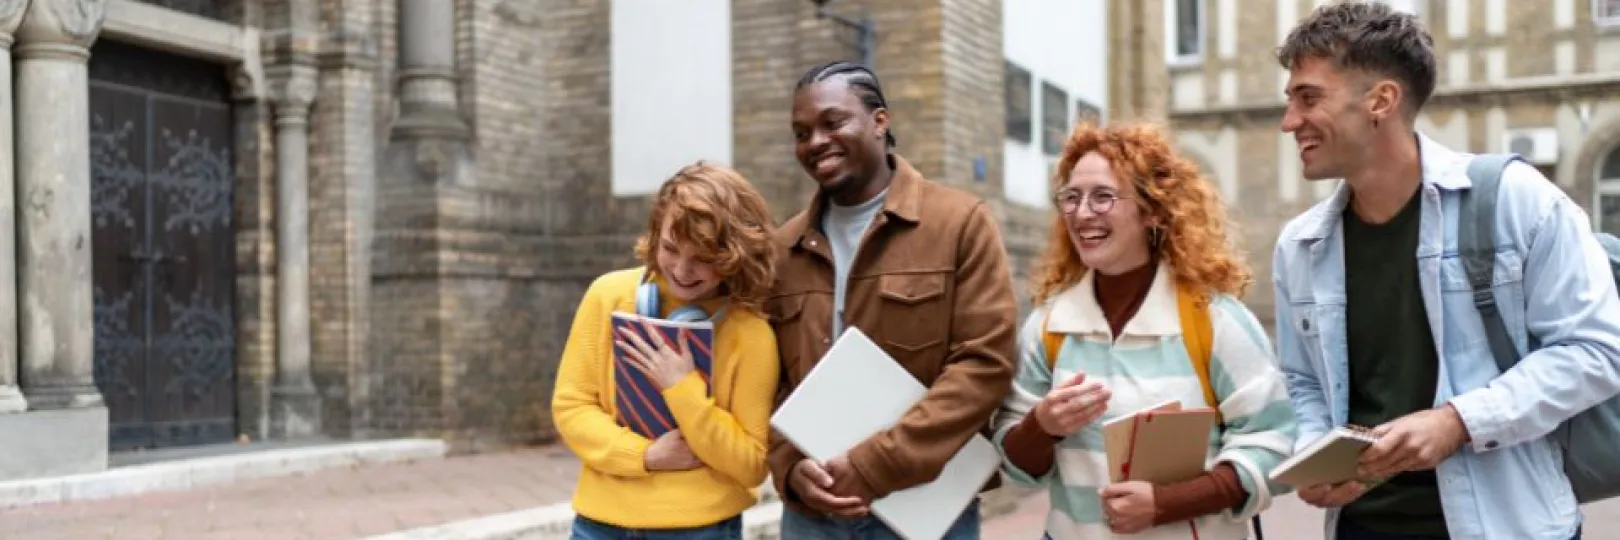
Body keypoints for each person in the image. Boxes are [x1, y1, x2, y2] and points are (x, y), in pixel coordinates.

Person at [1272, 3, 1620, 539]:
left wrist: (1458, 422)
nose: (1289, 121)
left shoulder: (1514, 200)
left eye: (1308, 97)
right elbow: (1303, 380)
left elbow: (1596, 350)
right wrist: (1317, 455)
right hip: (1363, 529)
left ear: (1381, 101)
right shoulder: (1300, 245)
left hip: (1510, 526)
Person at [992, 122, 1297, 540]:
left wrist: (1166, 505)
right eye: (1072, 197)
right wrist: (1039, 427)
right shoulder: (1048, 327)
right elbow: (1015, 467)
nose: (1082, 213)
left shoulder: (1214, 321)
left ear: (1152, 210)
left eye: (1103, 196)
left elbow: (1275, 445)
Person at [765, 60, 1019, 539]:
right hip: (813, 517)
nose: (815, 141)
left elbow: (984, 365)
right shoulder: (783, 249)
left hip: (922, 509)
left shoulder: (959, 224)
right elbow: (767, 379)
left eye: (832, 122)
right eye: (801, 132)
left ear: (880, 121)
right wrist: (791, 468)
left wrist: (874, 465)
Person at [551, 161, 781, 540]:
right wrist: (645, 456)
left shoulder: (750, 334)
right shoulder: (608, 296)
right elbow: (572, 407)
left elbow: (753, 464)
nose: (682, 269)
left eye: (704, 259)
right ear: (656, 234)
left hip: (701, 529)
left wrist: (684, 388)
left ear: (735, 255)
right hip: (600, 524)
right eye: (671, 248)